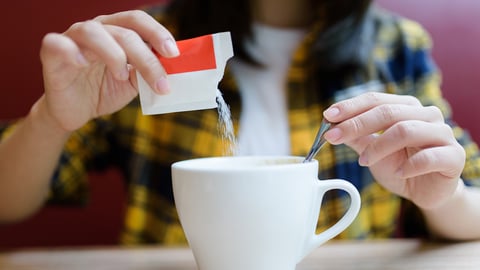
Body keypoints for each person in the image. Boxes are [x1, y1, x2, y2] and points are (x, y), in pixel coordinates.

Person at [1, 0, 479, 245]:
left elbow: (470, 200)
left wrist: (442, 194)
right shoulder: (141, 49)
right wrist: (50, 119)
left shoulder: (394, 44)